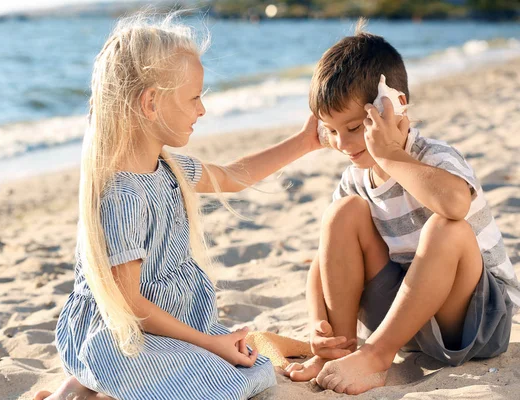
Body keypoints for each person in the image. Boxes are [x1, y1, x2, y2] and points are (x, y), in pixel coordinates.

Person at [33, 12, 323, 400]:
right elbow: (130, 305)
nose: (202, 109)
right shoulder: (123, 196)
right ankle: (85, 384)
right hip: (120, 333)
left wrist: (305, 142)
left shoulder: (169, 169)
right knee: (224, 381)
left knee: (252, 369)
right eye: (194, 98)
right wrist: (208, 342)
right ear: (151, 102)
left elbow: (234, 175)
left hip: (164, 321)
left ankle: (87, 389)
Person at [283, 20, 520, 395]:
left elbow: (455, 204)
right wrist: (318, 324)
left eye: (354, 126)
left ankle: (376, 355)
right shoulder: (355, 179)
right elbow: (323, 262)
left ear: (394, 106)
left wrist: (390, 155)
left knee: (448, 227)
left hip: (474, 320)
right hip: (406, 319)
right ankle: (342, 351)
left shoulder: (434, 157)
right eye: (331, 130)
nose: (343, 143)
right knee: (343, 213)